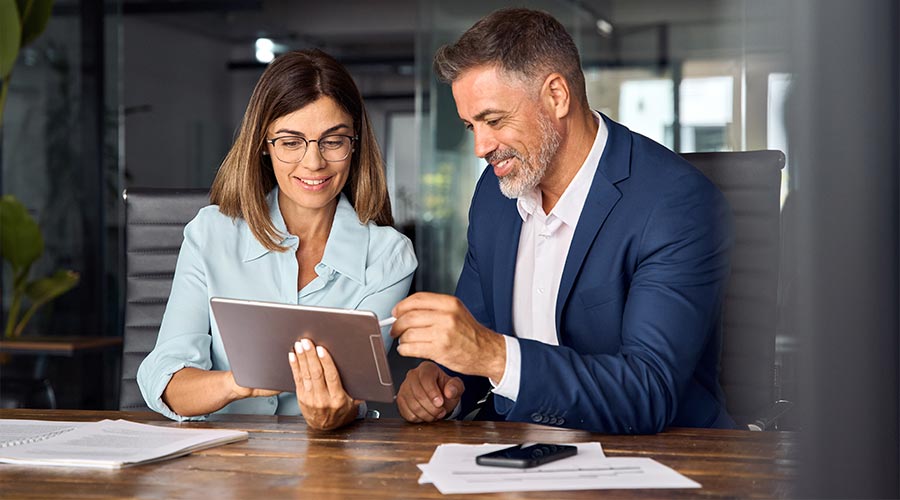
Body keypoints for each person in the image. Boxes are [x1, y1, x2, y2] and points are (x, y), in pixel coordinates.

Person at [390, 8, 734, 434]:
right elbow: (478, 338)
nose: (480, 147)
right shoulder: (495, 196)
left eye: (494, 120)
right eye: (470, 126)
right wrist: (443, 381)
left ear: (556, 95)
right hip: (512, 452)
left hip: (653, 457)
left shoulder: (675, 204)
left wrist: (494, 356)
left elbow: (650, 392)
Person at [137, 49, 417, 430]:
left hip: (329, 463)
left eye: (332, 141)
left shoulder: (389, 256)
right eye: (291, 142)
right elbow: (166, 380)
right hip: (221, 465)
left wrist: (336, 412)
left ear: (355, 144)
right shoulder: (210, 234)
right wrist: (240, 382)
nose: (313, 162)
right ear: (263, 146)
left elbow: (355, 392)